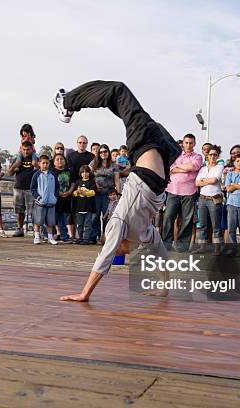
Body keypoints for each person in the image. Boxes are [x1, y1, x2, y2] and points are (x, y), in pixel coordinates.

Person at [53, 80, 181, 302]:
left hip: (151, 163)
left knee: (120, 97)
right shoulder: (141, 233)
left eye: (119, 251)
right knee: (118, 92)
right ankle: (66, 102)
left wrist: (85, 293)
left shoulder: (122, 227)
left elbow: (105, 257)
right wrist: (163, 286)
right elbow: (159, 255)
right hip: (153, 157)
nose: (121, 254)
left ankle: (69, 103)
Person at [162, 133, 203, 252]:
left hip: (189, 192)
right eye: (186, 143)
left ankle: (182, 245)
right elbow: (170, 168)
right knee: (169, 217)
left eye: (191, 143)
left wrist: (178, 168)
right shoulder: (176, 155)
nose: (188, 145)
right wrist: (184, 167)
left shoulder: (198, 156)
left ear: (194, 143)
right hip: (173, 191)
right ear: (183, 143)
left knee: (187, 220)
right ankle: (166, 244)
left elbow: (193, 167)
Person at [193, 144, 224, 255]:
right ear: (207, 156)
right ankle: (202, 247)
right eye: (210, 154)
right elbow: (196, 182)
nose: (212, 157)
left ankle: (217, 249)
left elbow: (214, 180)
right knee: (203, 225)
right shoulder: (202, 168)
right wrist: (208, 180)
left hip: (213, 199)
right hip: (202, 199)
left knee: (216, 225)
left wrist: (204, 181)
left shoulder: (220, 167)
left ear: (217, 156)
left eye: (215, 155)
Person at [90, 144, 120, 244]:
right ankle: (95, 235)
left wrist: (118, 194)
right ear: (99, 153)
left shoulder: (113, 165)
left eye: (105, 151)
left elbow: (117, 180)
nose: (103, 153)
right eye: (101, 152)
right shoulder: (94, 163)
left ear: (108, 152)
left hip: (109, 193)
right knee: (95, 215)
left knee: (107, 216)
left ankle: (106, 237)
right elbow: (88, 174)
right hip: (96, 193)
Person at [8, 141, 37, 237]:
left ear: (32, 149)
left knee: (33, 211)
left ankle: (35, 230)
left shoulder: (36, 159)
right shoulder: (17, 159)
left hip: (31, 189)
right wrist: (15, 165)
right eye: (24, 149)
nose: (26, 152)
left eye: (28, 149)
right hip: (18, 188)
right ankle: (20, 229)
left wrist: (36, 165)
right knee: (19, 211)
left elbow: (42, 171)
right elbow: (10, 173)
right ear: (21, 149)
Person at [30, 155, 60, 245]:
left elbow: (57, 187)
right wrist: (38, 197)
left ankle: (50, 237)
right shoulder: (36, 175)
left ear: (49, 164)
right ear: (39, 163)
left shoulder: (53, 175)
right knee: (38, 221)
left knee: (50, 222)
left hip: (51, 202)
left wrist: (55, 196)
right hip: (40, 202)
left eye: (47, 163)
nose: (45, 165)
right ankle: (37, 236)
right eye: (43, 163)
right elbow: (33, 188)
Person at [53, 153, 75, 242]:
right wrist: (58, 193)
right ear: (54, 162)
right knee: (53, 217)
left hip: (66, 198)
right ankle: (47, 234)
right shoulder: (52, 172)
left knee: (63, 218)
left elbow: (73, 182)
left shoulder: (69, 172)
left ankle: (64, 236)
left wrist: (69, 191)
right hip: (55, 199)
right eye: (57, 159)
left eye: (61, 159)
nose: (59, 161)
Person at [73, 165, 97, 245]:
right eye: (82, 172)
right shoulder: (78, 182)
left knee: (87, 225)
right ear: (80, 173)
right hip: (79, 208)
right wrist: (77, 192)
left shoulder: (92, 182)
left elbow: (93, 192)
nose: (85, 174)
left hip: (89, 208)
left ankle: (86, 239)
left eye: (86, 172)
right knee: (79, 225)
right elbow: (74, 193)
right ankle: (80, 238)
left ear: (89, 173)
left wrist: (84, 192)